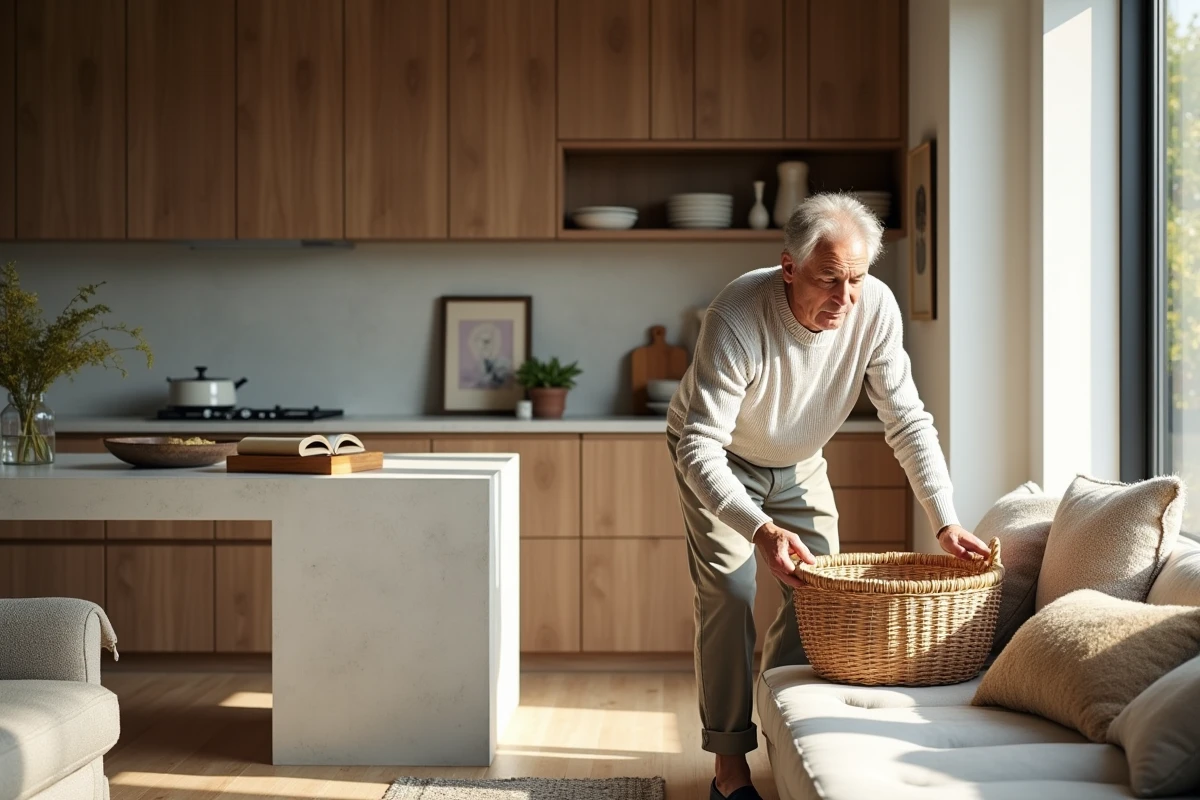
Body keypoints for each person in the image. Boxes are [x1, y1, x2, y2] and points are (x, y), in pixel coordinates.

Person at [665, 193, 988, 800]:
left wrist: (944, 521)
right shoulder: (737, 313)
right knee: (730, 593)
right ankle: (729, 766)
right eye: (829, 280)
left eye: (858, 279)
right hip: (719, 460)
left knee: (818, 593)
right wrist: (759, 529)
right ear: (789, 267)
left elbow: (908, 419)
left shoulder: (876, 310)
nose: (845, 299)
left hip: (798, 459)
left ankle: (781, 720)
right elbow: (699, 448)